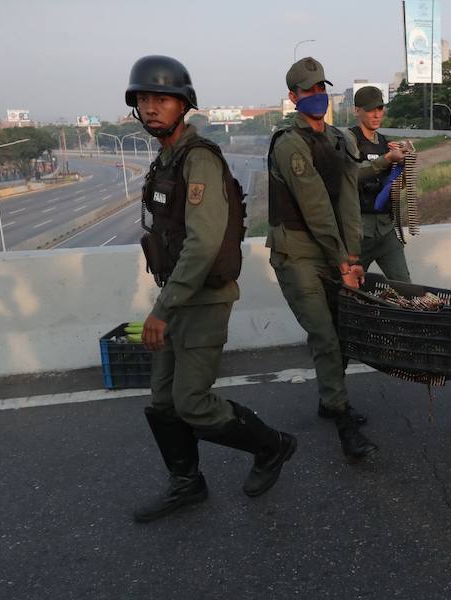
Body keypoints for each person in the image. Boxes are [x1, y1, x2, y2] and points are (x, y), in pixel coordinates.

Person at [127, 55, 297, 522]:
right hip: (177, 296)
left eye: (161, 98)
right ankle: (187, 483)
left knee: (193, 403)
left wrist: (161, 310)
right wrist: (165, 303)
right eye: (143, 99)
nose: (151, 107)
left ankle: (273, 445)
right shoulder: (167, 158)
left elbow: (202, 245)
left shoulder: (198, 158)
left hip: (201, 299)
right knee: (163, 401)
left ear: (184, 105)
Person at [266, 57, 377, 461]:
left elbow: (348, 201)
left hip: (332, 250)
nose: (317, 97)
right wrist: (341, 263)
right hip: (297, 253)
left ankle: (330, 399)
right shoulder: (289, 144)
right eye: (308, 91)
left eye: (321, 89)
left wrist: (352, 255)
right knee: (326, 337)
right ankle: (343, 421)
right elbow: (315, 209)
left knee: (343, 333)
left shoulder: (340, 139)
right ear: (294, 97)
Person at [345, 86, 411, 282]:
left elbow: (397, 185)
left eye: (380, 109)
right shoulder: (349, 139)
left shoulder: (384, 142)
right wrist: (387, 159)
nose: (376, 115)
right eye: (371, 110)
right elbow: (352, 174)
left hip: (385, 228)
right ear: (357, 110)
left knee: (404, 286)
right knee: (348, 289)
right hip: (359, 231)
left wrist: (402, 162)